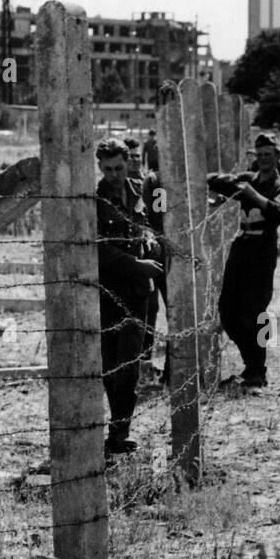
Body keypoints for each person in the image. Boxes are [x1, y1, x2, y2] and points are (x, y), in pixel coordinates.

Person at [93, 139, 164, 454]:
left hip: (138, 293)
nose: (114, 174)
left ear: (128, 163)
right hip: (109, 293)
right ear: (100, 168)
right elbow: (100, 250)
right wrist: (138, 264)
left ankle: (120, 431)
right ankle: (115, 427)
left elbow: (146, 225)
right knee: (110, 366)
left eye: (119, 167)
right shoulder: (94, 200)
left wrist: (148, 240)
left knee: (131, 364)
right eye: (107, 169)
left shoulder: (138, 190)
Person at [212, 134, 280, 387]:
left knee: (254, 312)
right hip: (241, 246)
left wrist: (254, 196)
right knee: (227, 311)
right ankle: (251, 364)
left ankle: (259, 368)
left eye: (269, 154)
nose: (264, 159)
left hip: (263, 249)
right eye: (260, 155)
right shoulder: (247, 180)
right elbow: (219, 182)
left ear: (277, 157)